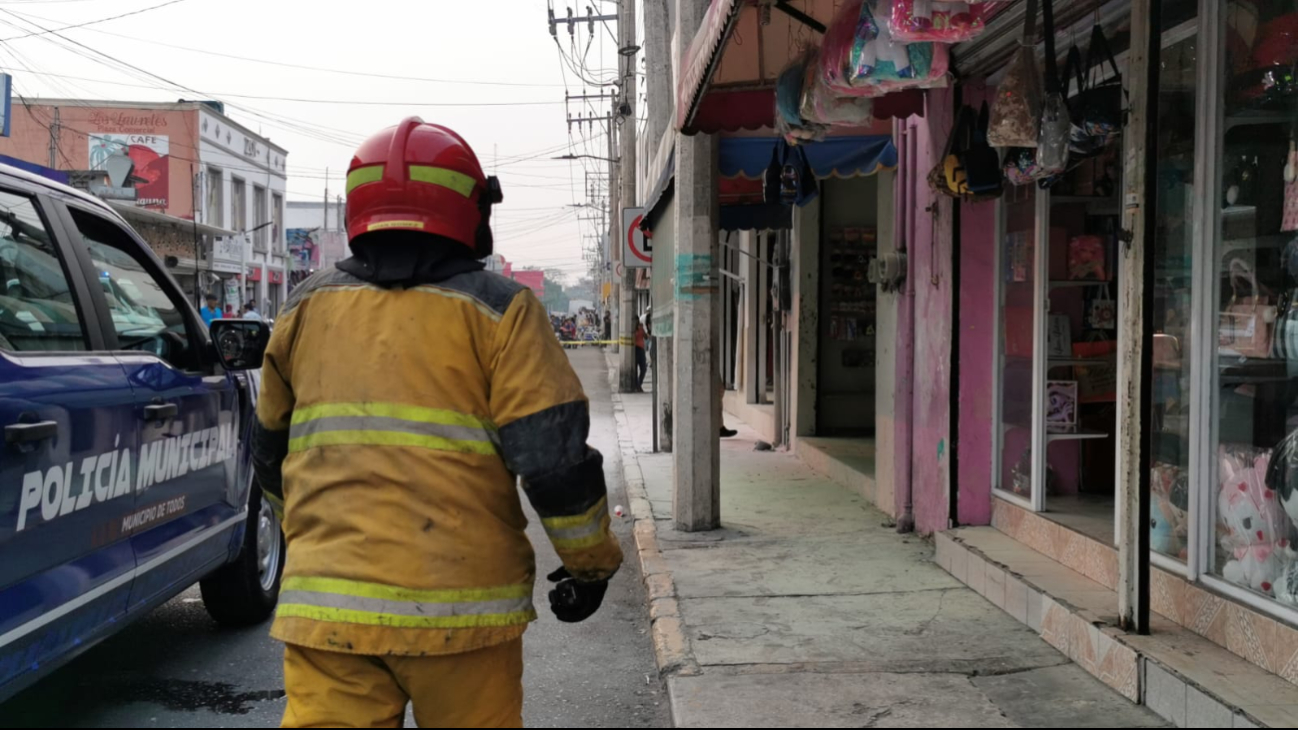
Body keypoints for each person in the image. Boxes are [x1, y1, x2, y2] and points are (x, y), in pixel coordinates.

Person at [253, 118, 623, 728]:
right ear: (469, 211)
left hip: (328, 612)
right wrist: (589, 564)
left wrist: (317, 544)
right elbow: (554, 463)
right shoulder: (501, 311)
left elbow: (271, 451)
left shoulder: (303, 308)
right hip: (463, 617)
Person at [634, 319, 647, 392]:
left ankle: (639, 383)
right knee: (635, 370)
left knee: (644, 368)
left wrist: (644, 329)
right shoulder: (632, 330)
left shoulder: (641, 328)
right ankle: (637, 386)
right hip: (635, 350)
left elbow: (645, 336)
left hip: (641, 350)